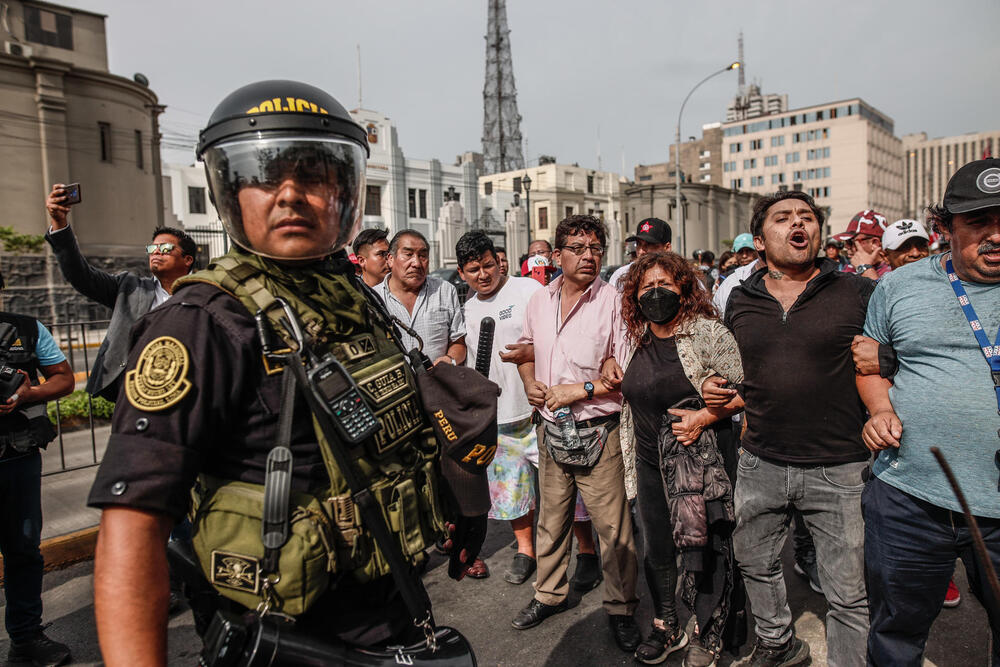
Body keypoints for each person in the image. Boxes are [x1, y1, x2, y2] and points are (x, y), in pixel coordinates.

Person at [87, 80, 488, 665]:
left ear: (346, 192)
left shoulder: (349, 295)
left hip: (394, 604)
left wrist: (462, 501)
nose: (290, 195)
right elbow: (132, 523)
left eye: (316, 176)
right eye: (265, 177)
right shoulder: (202, 321)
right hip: (287, 637)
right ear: (231, 192)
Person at [716, 191, 873, 667]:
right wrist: (714, 389)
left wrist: (885, 356)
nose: (797, 224)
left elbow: (888, 360)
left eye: (806, 217)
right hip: (760, 460)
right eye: (783, 218)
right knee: (755, 563)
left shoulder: (857, 292)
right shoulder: (740, 299)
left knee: (847, 592)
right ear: (760, 240)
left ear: (819, 234)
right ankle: (778, 644)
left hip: (840, 468)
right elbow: (733, 372)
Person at [855, 159, 1000, 666]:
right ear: (947, 228)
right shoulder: (899, 287)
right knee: (895, 633)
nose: (996, 235)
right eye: (980, 222)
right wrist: (877, 409)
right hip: (908, 499)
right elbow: (868, 363)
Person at [509, 214, 640, 652]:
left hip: (598, 432)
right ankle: (549, 594)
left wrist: (580, 389)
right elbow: (527, 348)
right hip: (550, 431)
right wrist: (529, 382)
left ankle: (621, 608)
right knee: (552, 520)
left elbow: (626, 374)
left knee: (613, 529)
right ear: (558, 254)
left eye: (595, 249)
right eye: (578, 248)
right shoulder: (539, 300)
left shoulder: (614, 302)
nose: (588, 257)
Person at [615, 252, 745, 666]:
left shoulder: (708, 334)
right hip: (650, 462)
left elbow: (750, 392)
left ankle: (711, 634)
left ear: (684, 289)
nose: (656, 293)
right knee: (656, 547)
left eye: (665, 285)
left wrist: (706, 415)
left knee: (706, 547)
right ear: (634, 297)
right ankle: (666, 623)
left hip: (699, 466)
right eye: (646, 287)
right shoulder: (637, 338)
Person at [43, 193, 197, 402]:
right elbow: (80, 275)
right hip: (135, 395)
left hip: (191, 392)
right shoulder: (129, 288)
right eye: (152, 248)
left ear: (187, 259)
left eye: (166, 248)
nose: (156, 253)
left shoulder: (204, 293)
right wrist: (59, 224)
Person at [457, 231, 543, 584]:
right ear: (462, 273)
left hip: (541, 409)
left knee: (572, 488)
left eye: (489, 265)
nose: (483, 274)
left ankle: (584, 549)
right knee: (512, 487)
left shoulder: (529, 291)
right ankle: (526, 550)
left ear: (499, 260)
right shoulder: (468, 309)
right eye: (474, 269)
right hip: (500, 415)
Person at [0, 271, 75, 667]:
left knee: (24, 552)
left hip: (18, 459)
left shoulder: (26, 329)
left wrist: (29, 393)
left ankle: (26, 641)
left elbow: (64, 379)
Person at [374, 229, 467, 368]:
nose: (416, 263)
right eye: (408, 254)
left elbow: (459, 343)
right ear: (390, 259)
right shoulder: (373, 299)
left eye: (423, 256)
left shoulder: (445, 291)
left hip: (437, 384)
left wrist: (449, 360)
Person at [607, 217, 672, 289]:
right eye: (639, 244)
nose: (641, 251)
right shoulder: (621, 276)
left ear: (667, 248)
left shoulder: (677, 275)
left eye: (649, 244)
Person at [833, 209, 890, 279]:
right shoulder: (849, 268)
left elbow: (884, 289)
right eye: (846, 242)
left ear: (874, 243)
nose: (846, 246)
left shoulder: (894, 271)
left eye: (851, 242)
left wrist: (865, 268)